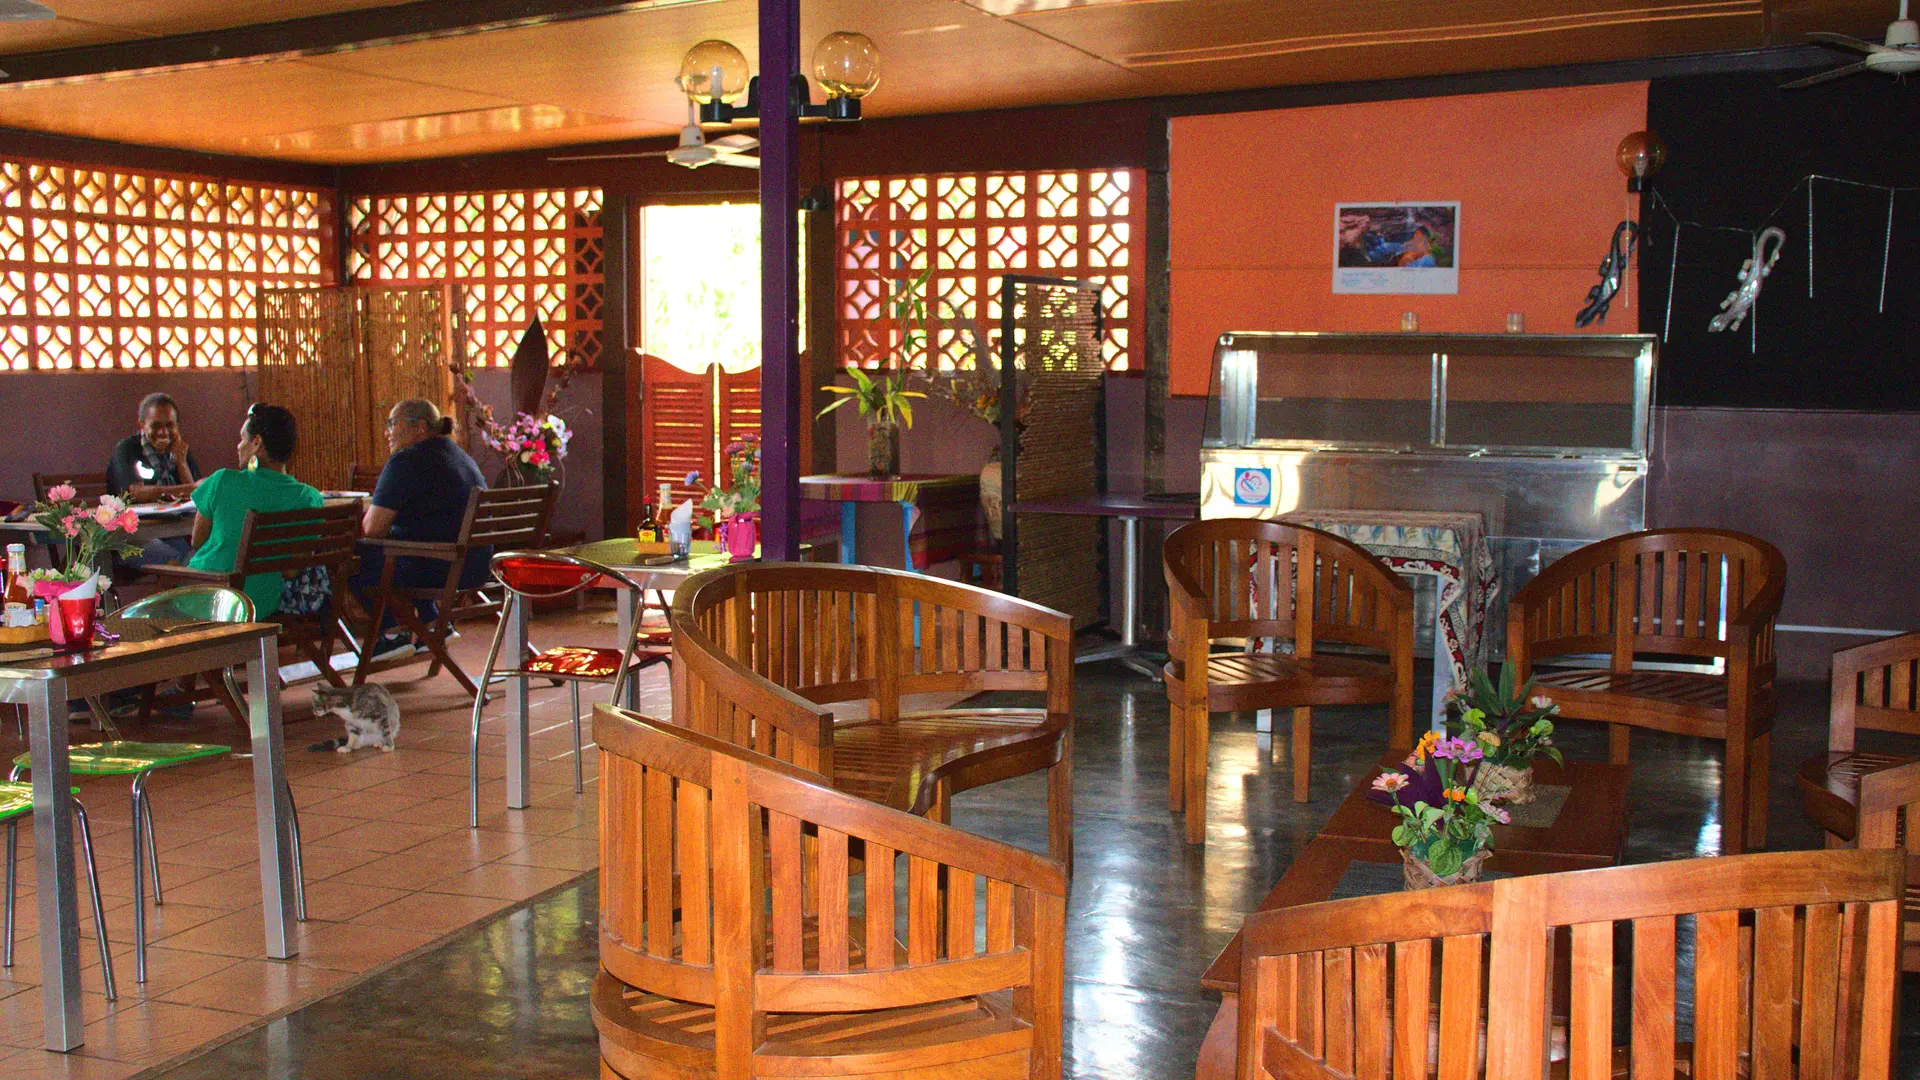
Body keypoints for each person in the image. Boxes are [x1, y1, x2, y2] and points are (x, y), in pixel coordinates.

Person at [353, 398, 488, 653]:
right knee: (402, 546)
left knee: (354, 557)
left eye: (392, 423)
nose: (387, 432)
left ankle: (391, 633)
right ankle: (433, 623)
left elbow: (372, 529)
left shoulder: (405, 462)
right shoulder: (459, 455)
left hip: (442, 568)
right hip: (476, 566)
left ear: (420, 427)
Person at [186, 404, 324, 617]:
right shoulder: (308, 498)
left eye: (242, 438)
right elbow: (290, 570)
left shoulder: (222, 480)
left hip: (204, 600)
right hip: (260, 604)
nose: (238, 446)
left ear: (257, 443)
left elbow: (197, 541)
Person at [106, 392, 204, 567]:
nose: (163, 432)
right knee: (181, 559)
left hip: (172, 533)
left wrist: (181, 463)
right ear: (142, 425)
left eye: (170, 426)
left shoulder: (180, 450)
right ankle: (167, 591)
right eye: (156, 426)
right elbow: (137, 492)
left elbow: (197, 495)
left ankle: (164, 591)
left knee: (195, 555)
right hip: (131, 540)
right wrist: (190, 488)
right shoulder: (127, 449)